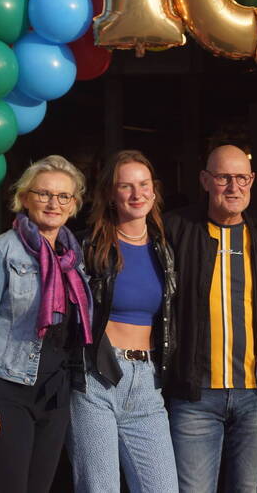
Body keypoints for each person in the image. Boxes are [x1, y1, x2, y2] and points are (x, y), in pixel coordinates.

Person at [0, 155, 93, 493]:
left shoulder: (74, 259)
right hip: (5, 390)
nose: (53, 203)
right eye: (43, 193)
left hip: (53, 393)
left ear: (74, 205)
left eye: (63, 196)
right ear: (24, 197)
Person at [164, 144, 257, 492]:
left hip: (255, 396)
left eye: (241, 177)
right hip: (195, 397)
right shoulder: (175, 229)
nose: (234, 187)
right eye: (224, 177)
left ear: (252, 180)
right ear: (204, 180)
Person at [68, 150, 179, 492]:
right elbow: (39, 261)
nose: (137, 194)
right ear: (111, 194)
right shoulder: (87, 244)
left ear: (154, 190)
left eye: (144, 184)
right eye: (126, 186)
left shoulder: (164, 247)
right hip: (96, 377)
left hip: (146, 381)